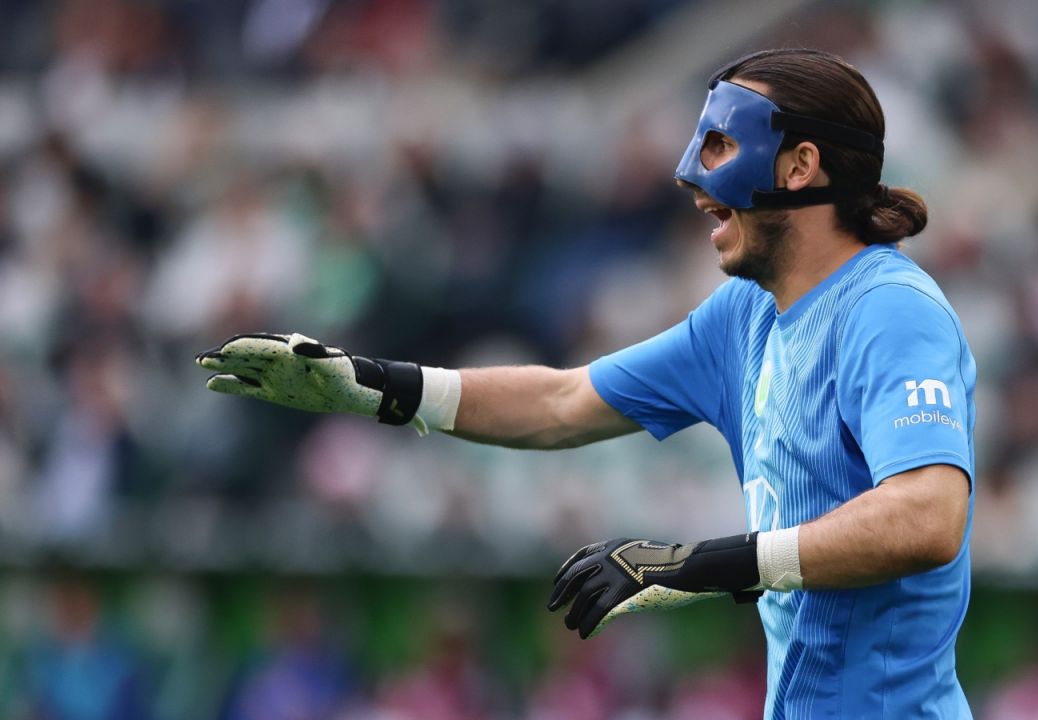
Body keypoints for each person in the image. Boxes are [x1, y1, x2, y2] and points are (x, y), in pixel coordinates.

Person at [197, 48, 977, 719]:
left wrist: (703, 564)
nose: (690, 176)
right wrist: (376, 387)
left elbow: (927, 515)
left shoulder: (889, 310)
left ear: (800, 165)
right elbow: (564, 402)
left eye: (718, 145)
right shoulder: (746, 315)